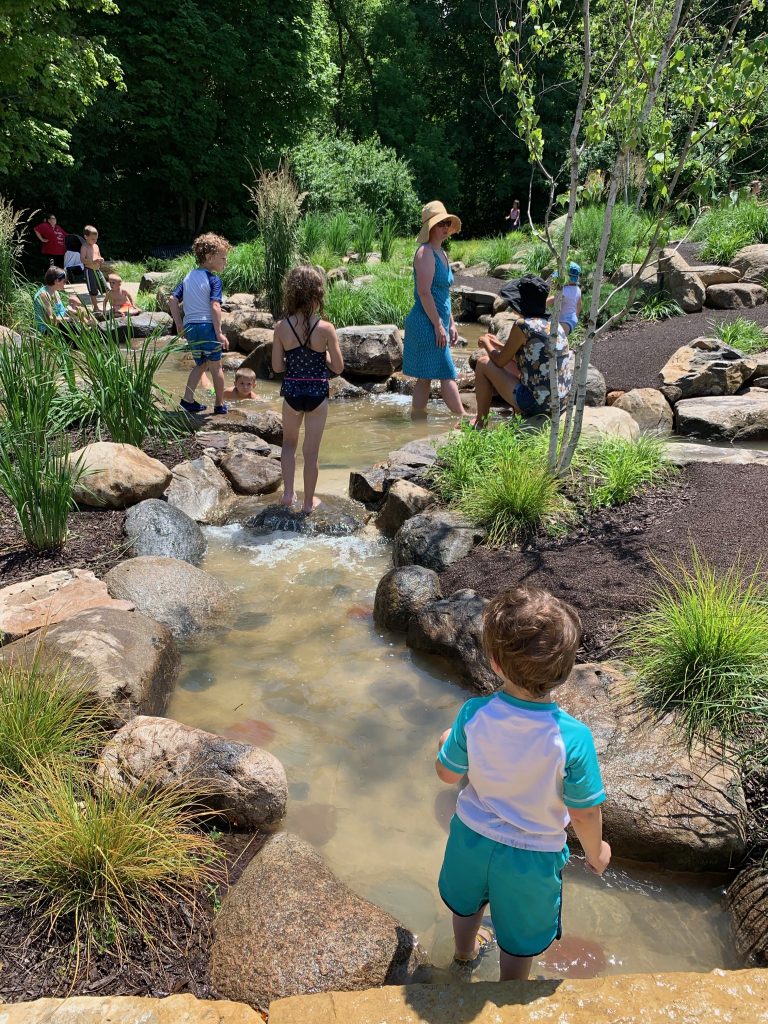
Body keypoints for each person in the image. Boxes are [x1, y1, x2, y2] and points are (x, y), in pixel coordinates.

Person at [435, 585, 610, 982]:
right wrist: (597, 853)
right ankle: (511, 995)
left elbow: (447, 775)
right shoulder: (573, 738)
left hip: (471, 838)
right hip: (532, 856)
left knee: (465, 906)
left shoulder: (474, 714)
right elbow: (583, 811)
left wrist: (443, 745)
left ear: (494, 663)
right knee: (519, 939)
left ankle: (463, 957)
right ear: (565, 672)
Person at [272, 265, 344, 513]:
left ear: (291, 293)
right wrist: (321, 356)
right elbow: (338, 366)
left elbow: (277, 367)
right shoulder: (325, 328)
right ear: (318, 294)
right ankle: (307, 504)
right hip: (316, 394)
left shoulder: (281, 328)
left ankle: (288, 495)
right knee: (311, 453)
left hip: (292, 393)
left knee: (289, 445)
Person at [473, 274, 574, 423]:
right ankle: (517, 419)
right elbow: (531, 356)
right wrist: (498, 345)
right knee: (515, 367)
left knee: (482, 363)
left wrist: (486, 343)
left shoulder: (523, 325)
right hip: (560, 402)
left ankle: (480, 424)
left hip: (538, 404)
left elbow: (500, 361)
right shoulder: (553, 325)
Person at [402, 201, 466, 419]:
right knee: (447, 372)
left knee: (425, 377)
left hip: (437, 322)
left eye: (447, 223)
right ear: (430, 227)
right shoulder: (425, 253)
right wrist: (439, 325)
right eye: (441, 223)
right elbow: (424, 292)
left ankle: (417, 418)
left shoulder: (442, 254)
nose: (445, 227)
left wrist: (452, 323)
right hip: (426, 323)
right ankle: (462, 419)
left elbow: (443, 295)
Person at [168, 232, 231, 415]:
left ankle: (188, 401)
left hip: (191, 328)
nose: (225, 262)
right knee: (216, 366)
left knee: (201, 364)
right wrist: (219, 332)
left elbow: (172, 299)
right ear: (210, 257)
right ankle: (219, 405)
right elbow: (215, 306)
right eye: (223, 258)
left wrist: (179, 325)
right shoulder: (213, 279)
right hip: (206, 327)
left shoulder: (188, 277)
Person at [33, 266, 93, 333]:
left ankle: (90, 325)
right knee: (78, 329)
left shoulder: (55, 292)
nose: (65, 283)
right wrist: (70, 319)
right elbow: (51, 319)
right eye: (64, 281)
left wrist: (74, 312)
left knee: (81, 311)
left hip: (60, 322)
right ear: (56, 281)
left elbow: (61, 311)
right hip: (48, 328)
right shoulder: (44, 295)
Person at [546, 261, 582, 335]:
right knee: (559, 338)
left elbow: (550, 301)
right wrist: (576, 316)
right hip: (571, 319)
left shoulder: (564, 291)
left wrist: (538, 305)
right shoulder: (577, 289)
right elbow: (579, 304)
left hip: (564, 322)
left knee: (556, 337)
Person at [80, 225, 107, 311]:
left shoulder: (96, 246)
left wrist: (100, 259)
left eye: (96, 239)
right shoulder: (84, 247)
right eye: (92, 239)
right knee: (93, 290)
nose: (95, 241)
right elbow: (82, 259)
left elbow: (98, 256)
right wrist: (93, 261)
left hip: (97, 270)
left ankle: (108, 306)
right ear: (86, 237)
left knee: (105, 287)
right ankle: (95, 307)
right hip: (89, 270)